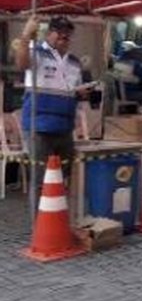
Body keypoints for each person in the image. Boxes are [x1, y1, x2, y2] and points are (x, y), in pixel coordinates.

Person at [14, 16, 93, 181]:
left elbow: (73, 90)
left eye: (67, 34)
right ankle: (37, 208)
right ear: (49, 33)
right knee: (42, 180)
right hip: (39, 127)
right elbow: (21, 64)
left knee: (62, 179)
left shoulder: (74, 62)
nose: (63, 38)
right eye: (59, 33)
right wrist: (26, 34)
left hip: (65, 127)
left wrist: (81, 93)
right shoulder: (37, 53)